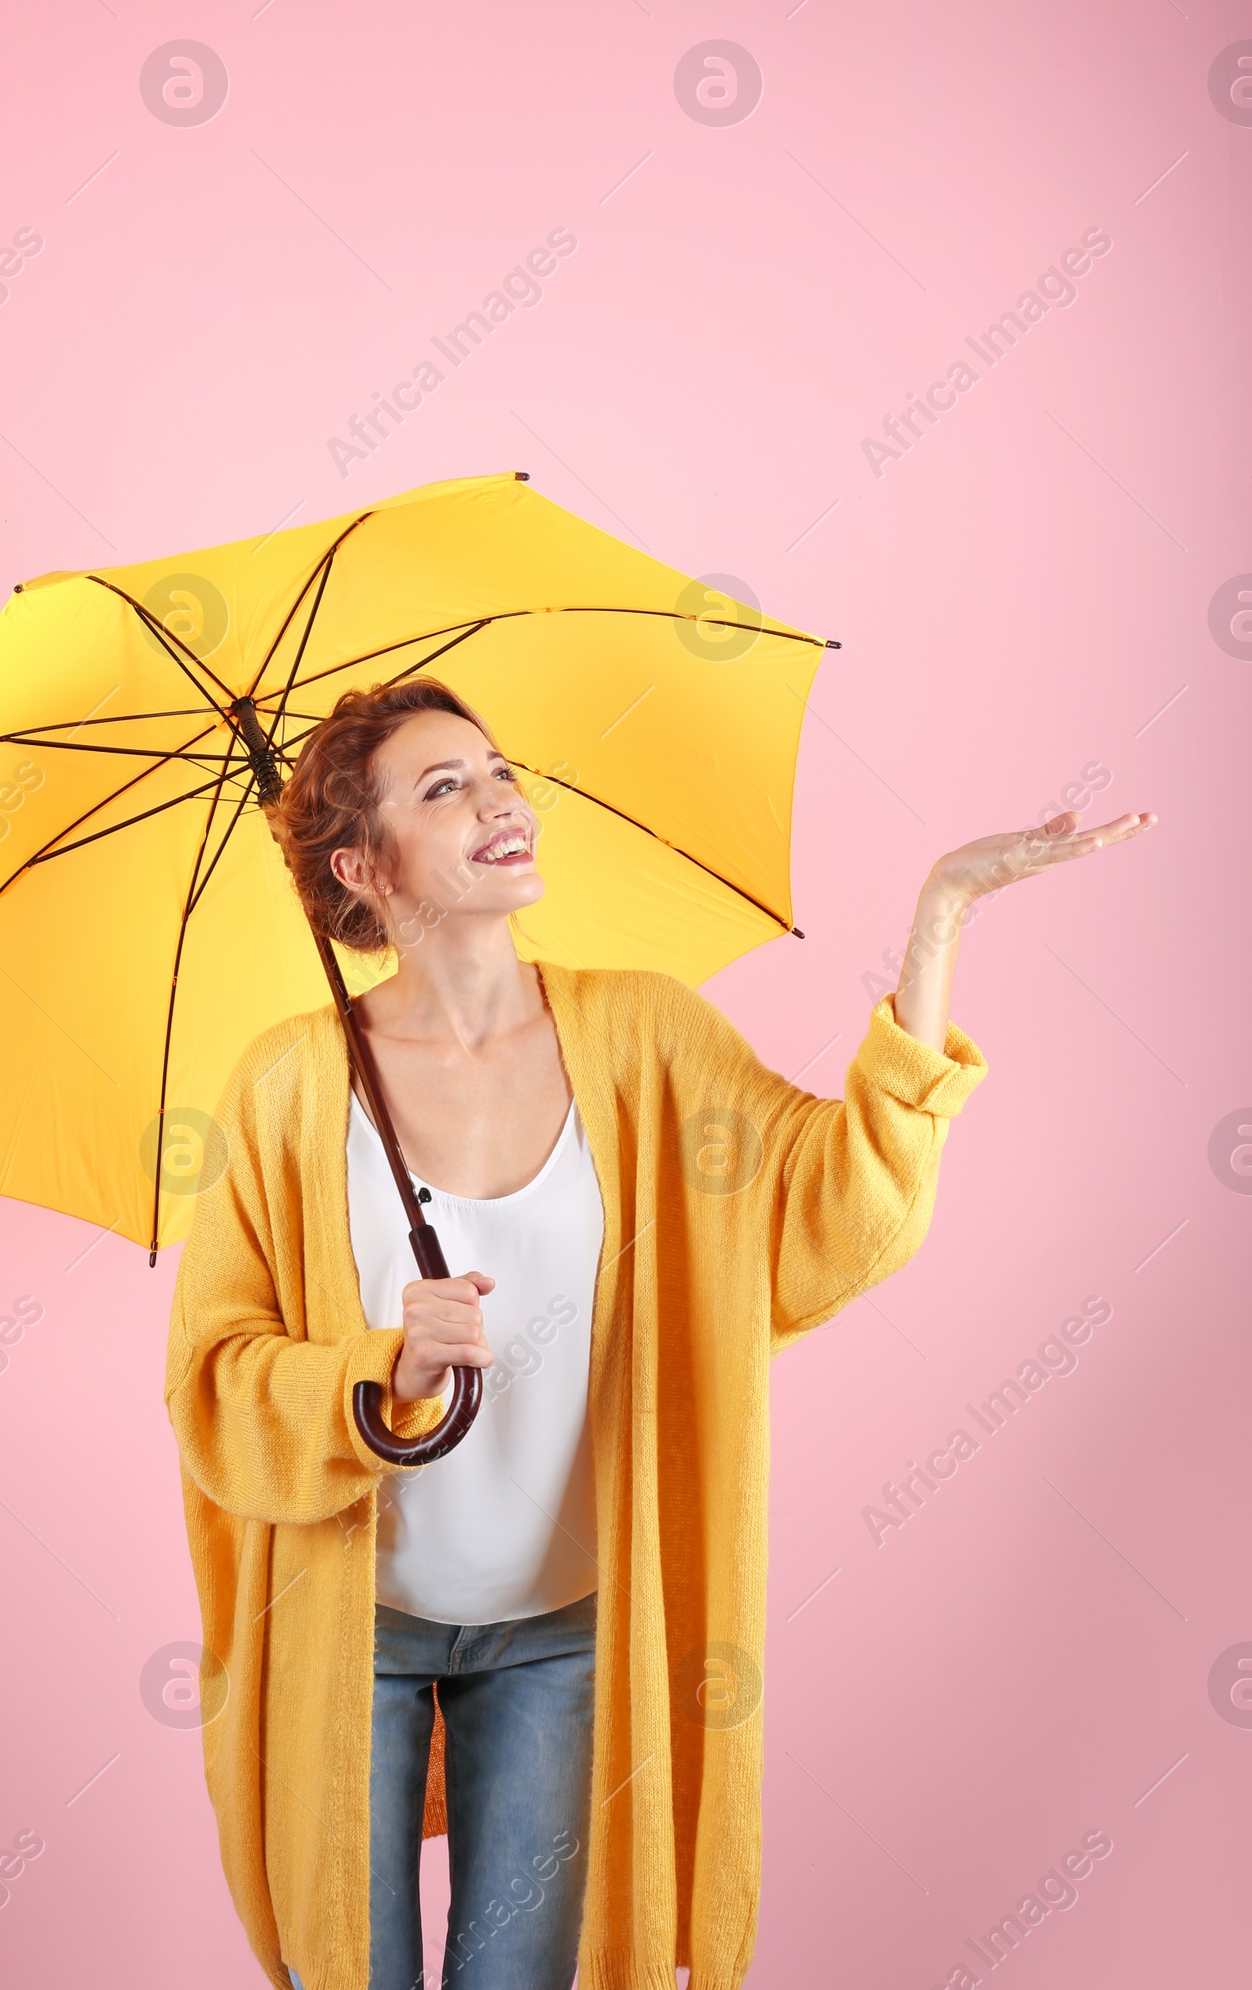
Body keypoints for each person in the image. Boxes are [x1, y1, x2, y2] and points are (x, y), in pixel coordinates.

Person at [164, 675, 1155, 1990]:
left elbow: (831, 1200)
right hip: (358, 1634)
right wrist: (372, 1364)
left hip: (568, 1631)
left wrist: (941, 913)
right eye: (444, 788)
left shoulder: (646, 1036)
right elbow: (214, 1381)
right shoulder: (291, 1084)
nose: (500, 800)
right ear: (362, 864)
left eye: (499, 767)